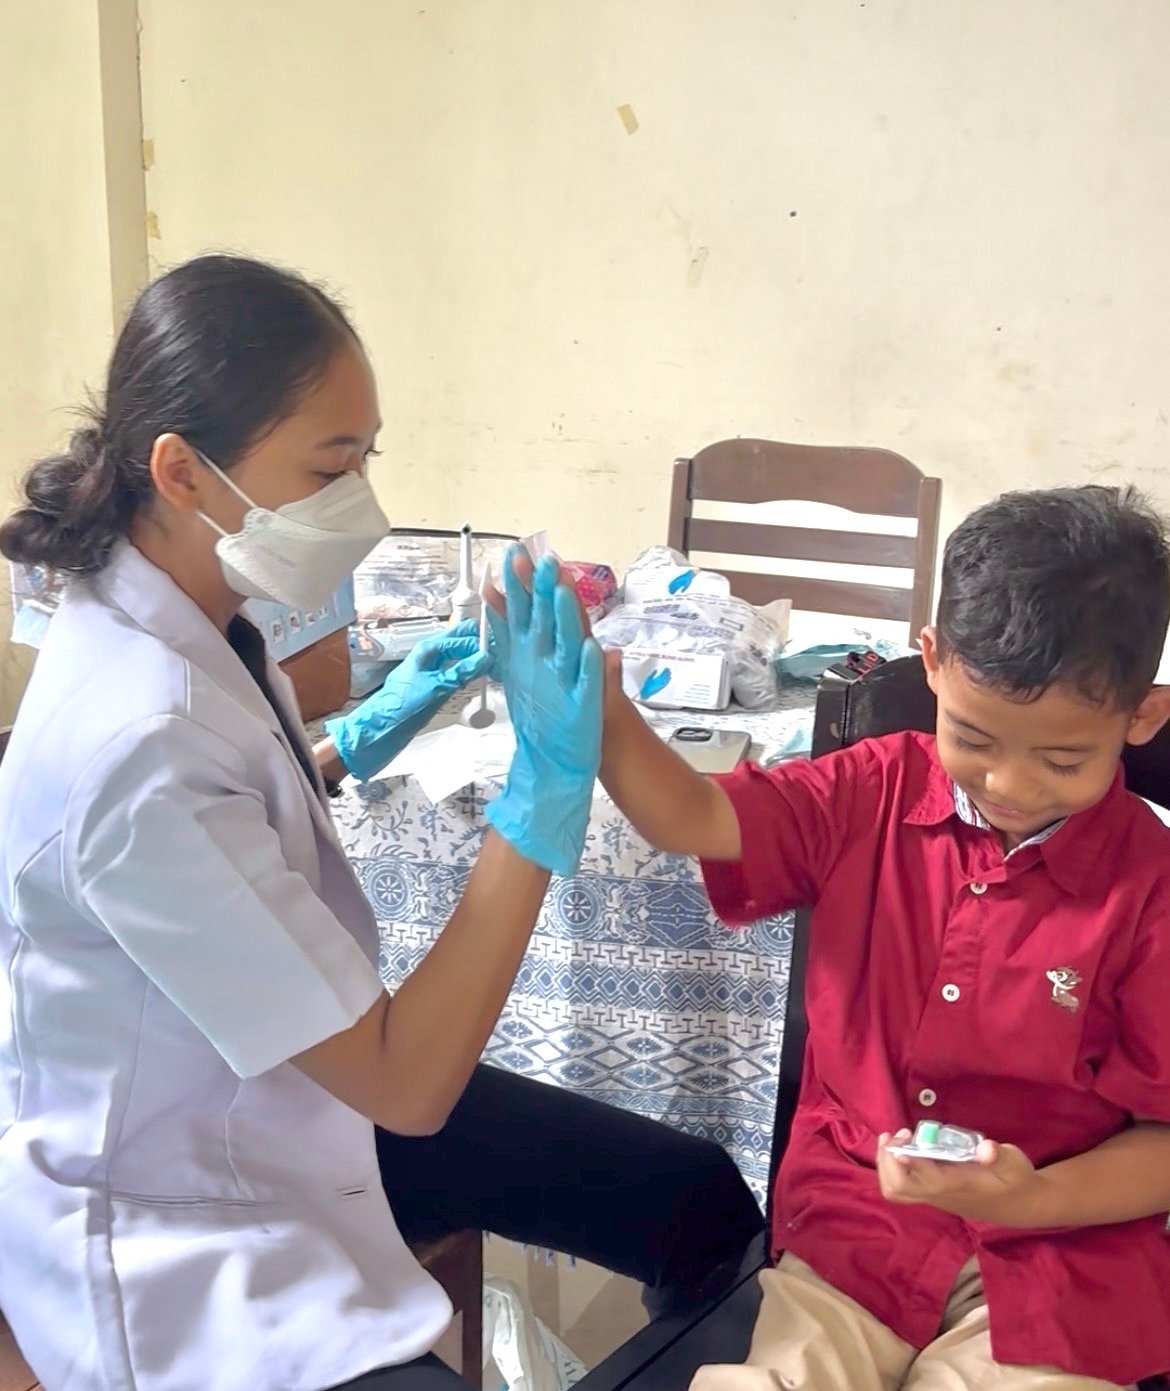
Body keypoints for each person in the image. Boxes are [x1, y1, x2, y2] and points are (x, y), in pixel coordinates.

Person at [0, 255, 761, 1391]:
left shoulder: (185, 614)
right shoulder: (138, 738)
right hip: (176, 1212)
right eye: (329, 466)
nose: (359, 499)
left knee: (703, 1206)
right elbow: (408, 1084)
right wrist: (541, 793)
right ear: (182, 470)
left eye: (367, 457)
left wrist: (356, 738)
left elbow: (225, 803)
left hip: (290, 1093)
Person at [597, 485, 1170, 1389]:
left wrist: (1034, 1196)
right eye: (974, 739)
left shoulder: (1151, 886)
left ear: (1141, 716)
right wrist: (601, 717)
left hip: (1060, 1255)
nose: (1010, 785)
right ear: (933, 662)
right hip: (858, 1230)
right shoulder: (870, 790)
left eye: (1064, 760)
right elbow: (693, 815)